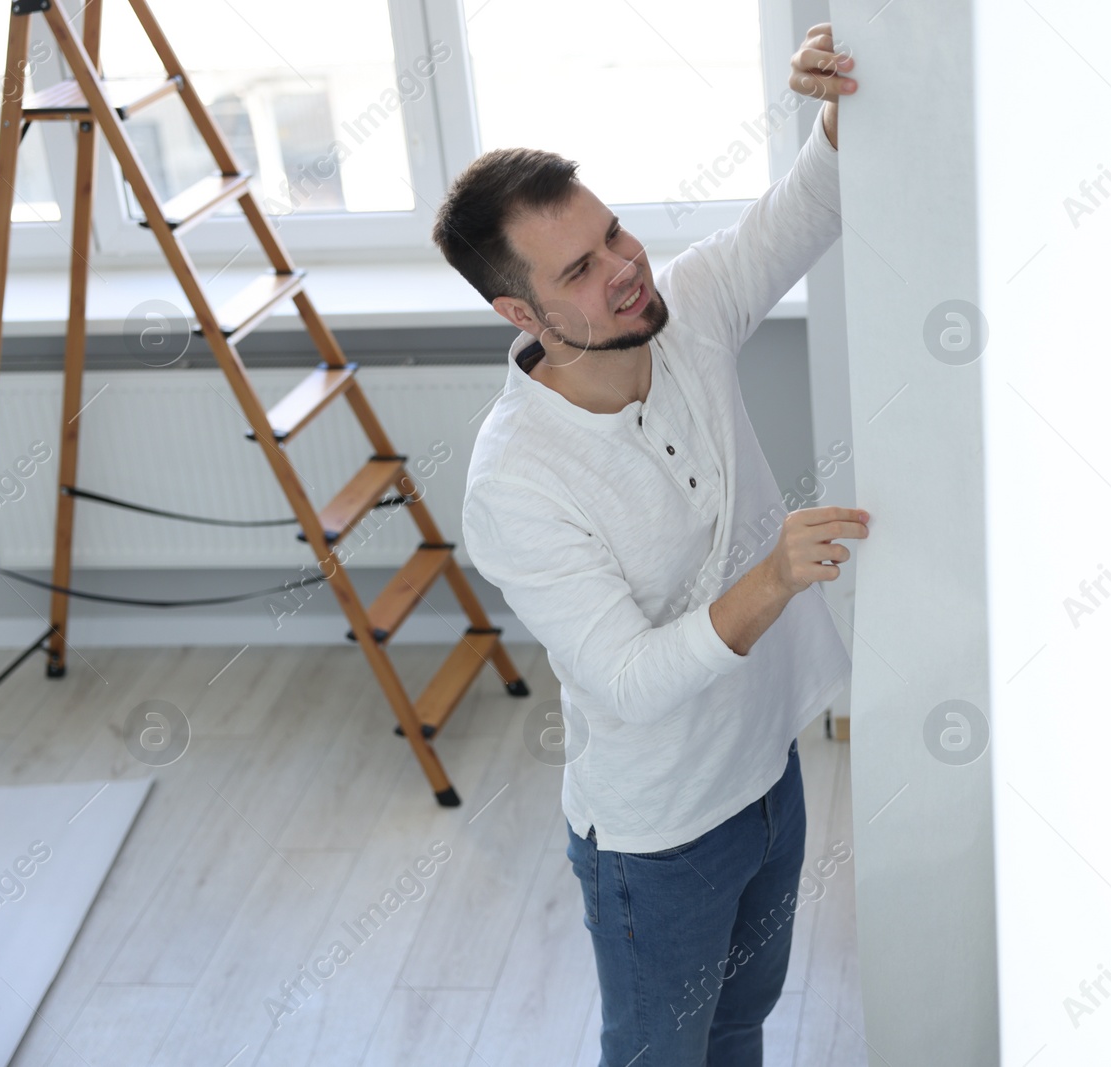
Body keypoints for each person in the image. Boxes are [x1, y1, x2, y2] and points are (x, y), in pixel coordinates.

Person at [433, 23, 865, 1066]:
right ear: (518, 311)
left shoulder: (686, 312)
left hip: (770, 769)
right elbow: (623, 678)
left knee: (742, 1024)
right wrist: (771, 577)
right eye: (580, 270)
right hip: (660, 838)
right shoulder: (516, 482)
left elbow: (809, 201)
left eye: (615, 233)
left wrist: (848, 87)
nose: (625, 269)